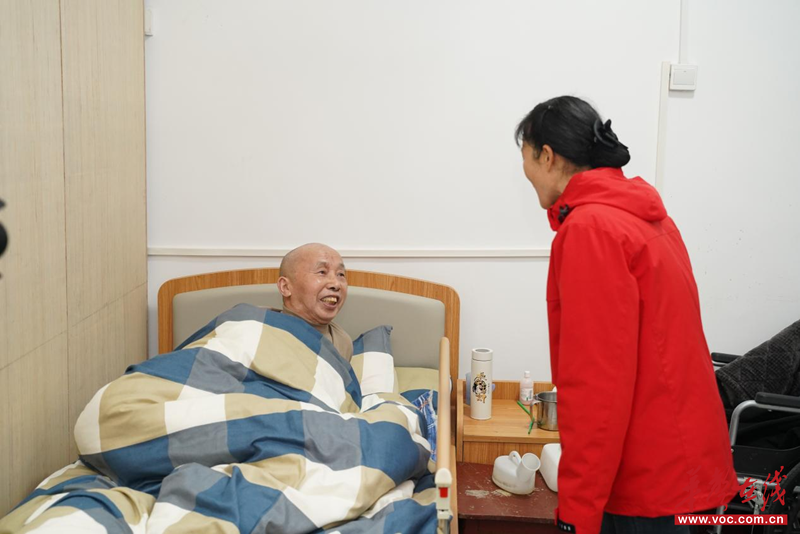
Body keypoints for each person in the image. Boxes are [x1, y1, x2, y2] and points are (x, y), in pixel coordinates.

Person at [516, 96, 738, 534]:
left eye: (524, 157)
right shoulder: (645, 217)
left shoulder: (591, 229)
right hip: (682, 466)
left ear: (547, 156)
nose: (523, 172)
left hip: (643, 480)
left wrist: (578, 513)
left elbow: (598, 384)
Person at [277, 243, 353, 361]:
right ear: (286, 287)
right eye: (322, 272)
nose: (336, 284)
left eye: (341, 274)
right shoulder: (259, 329)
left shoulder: (342, 342)